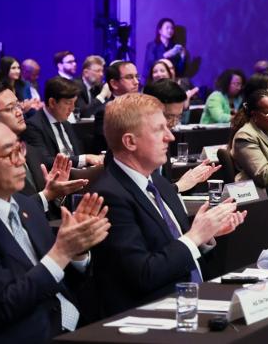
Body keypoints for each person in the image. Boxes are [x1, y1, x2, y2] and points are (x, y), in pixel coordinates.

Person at [0, 108, 110, 343]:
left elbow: (59, 279)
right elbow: (1, 308)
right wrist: (61, 252)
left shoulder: (26, 205)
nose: (22, 160)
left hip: (75, 320)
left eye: (19, 148)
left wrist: (78, 251)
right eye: (9, 154)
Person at [89, 93, 246, 316]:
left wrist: (206, 236)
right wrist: (194, 237)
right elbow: (143, 275)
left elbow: (174, 247)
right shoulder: (109, 196)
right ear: (130, 141)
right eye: (159, 130)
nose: (170, 137)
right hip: (148, 315)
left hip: (187, 300)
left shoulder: (159, 182)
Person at [0, 81, 88, 216]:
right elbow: (8, 214)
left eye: (18, 105)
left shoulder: (31, 151)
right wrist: (47, 195)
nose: (19, 112)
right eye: (10, 108)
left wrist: (57, 193)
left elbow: (50, 211)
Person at [142, 79, 216, 193]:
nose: (174, 123)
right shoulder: (138, 146)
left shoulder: (163, 139)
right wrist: (179, 186)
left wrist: (191, 180)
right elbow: (146, 196)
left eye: (178, 117)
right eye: (169, 116)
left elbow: (162, 185)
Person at [23, 77, 105, 168]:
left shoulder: (66, 123)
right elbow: (44, 161)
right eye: (68, 103)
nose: (72, 108)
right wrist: (84, 159)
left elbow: (76, 154)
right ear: (52, 102)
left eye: (74, 103)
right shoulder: (33, 126)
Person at [91, 61, 139, 149]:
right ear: (114, 84)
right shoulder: (105, 112)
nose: (136, 82)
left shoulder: (143, 107)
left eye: (137, 76)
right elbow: (110, 147)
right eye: (129, 77)